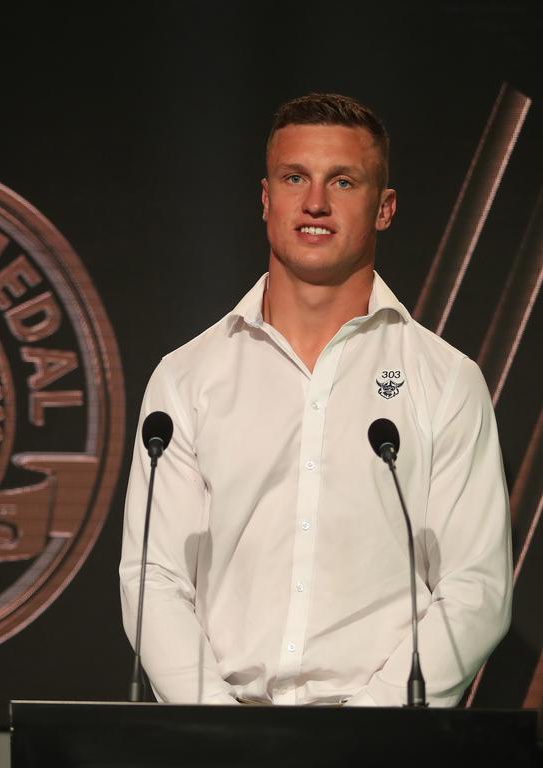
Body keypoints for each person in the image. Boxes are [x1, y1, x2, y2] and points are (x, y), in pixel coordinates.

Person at [119, 93, 512, 706]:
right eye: (294, 177)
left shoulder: (446, 380)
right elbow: (155, 578)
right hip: (224, 741)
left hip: (382, 743)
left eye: (343, 181)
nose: (315, 204)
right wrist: (225, 738)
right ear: (266, 198)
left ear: (384, 209)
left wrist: (363, 737)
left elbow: (476, 590)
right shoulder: (186, 378)